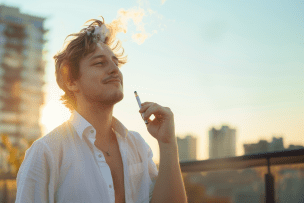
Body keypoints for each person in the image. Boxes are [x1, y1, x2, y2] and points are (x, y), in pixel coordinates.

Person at [15, 18, 187, 203]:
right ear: (71, 81)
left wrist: (168, 144)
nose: (115, 70)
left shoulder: (137, 145)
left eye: (115, 63)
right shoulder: (46, 152)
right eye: (99, 63)